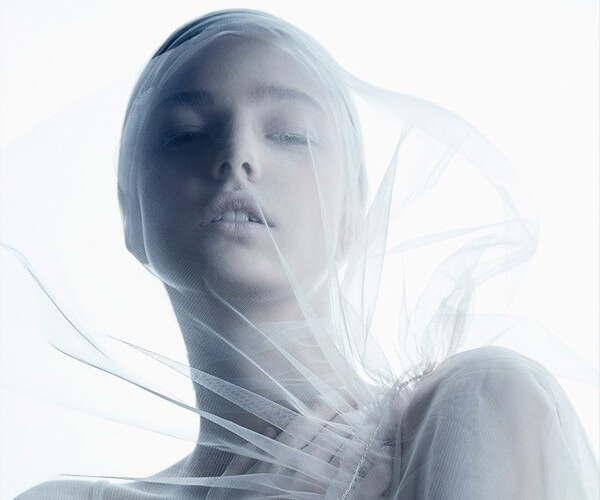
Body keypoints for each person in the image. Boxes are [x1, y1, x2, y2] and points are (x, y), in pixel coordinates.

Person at [10, 9, 599, 499]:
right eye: (185, 132)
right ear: (129, 210)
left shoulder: (476, 409)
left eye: (290, 133)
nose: (238, 155)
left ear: (352, 210)